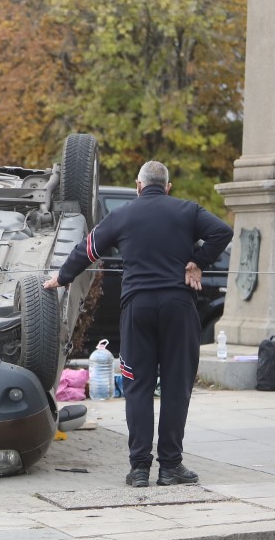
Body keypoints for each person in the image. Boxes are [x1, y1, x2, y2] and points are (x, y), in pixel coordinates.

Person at [44, 161, 232, 488]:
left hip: (138, 311)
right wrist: (197, 262)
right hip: (178, 309)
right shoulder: (187, 211)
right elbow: (222, 232)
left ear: (138, 185)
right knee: (176, 389)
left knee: (138, 387)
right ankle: (171, 466)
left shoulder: (122, 215)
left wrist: (61, 277)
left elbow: (87, 249)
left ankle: (140, 468)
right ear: (168, 187)